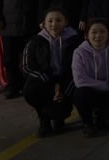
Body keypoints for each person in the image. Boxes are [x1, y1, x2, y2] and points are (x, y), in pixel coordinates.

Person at [22, 8, 82, 137]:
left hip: (68, 80)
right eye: (50, 21)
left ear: (66, 22)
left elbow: (81, 66)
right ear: (44, 23)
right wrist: (52, 84)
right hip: (45, 80)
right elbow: (27, 67)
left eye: (58, 20)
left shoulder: (75, 41)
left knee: (77, 91)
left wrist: (61, 87)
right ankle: (44, 120)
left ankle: (60, 117)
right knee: (30, 89)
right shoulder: (35, 41)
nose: (54, 24)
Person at [72, 19, 109, 138]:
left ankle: (102, 121)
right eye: (94, 32)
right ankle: (88, 124)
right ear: (87, 35)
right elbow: (80, 80)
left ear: (108, 34)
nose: (98, 35)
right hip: (91, 91)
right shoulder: (79, 52)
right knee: (80, 94)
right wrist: (108, 86)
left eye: (102, 31)